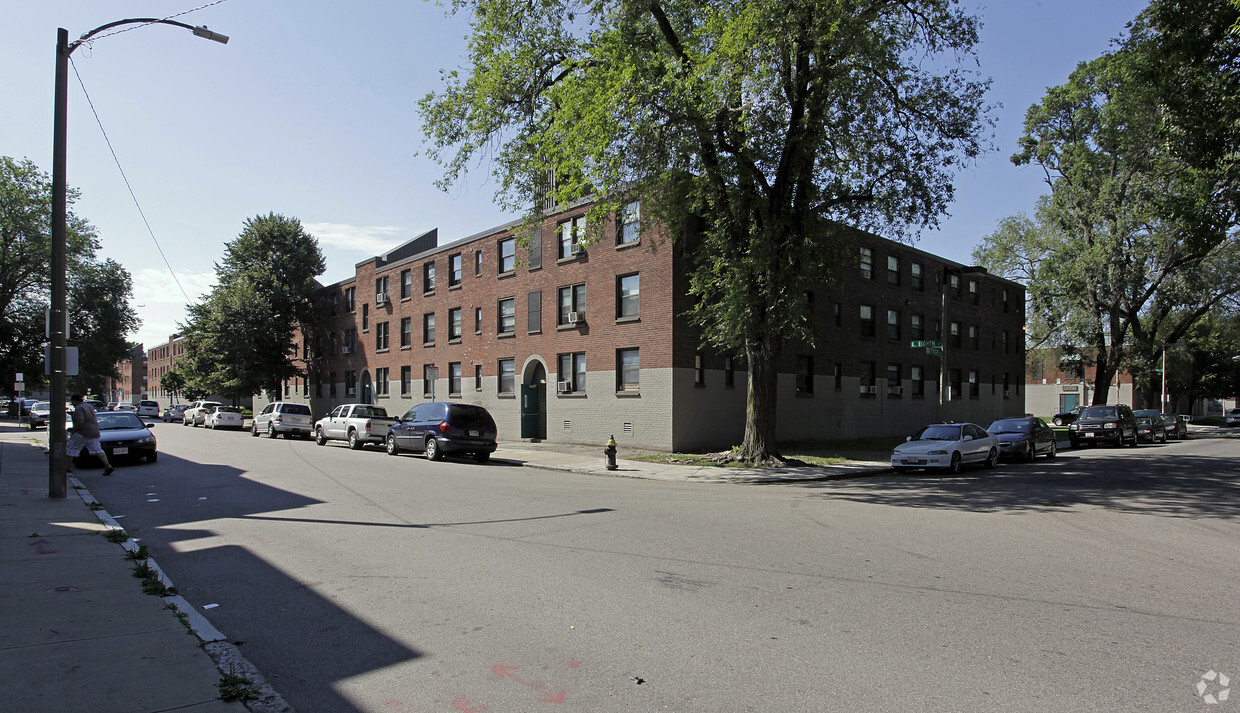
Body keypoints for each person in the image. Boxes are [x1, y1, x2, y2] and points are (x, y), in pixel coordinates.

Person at [66, 393, 113, 476]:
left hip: (82, 433)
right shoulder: (89, 406)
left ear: (74, 401)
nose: (72, 403)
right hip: (94, 432)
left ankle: (68, 467)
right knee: (97, 449)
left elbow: (80, 421)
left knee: (71, 448)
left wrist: (74, 430)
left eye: (72, 401)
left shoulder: (79, 408)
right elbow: (88, 418)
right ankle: (108, 465)